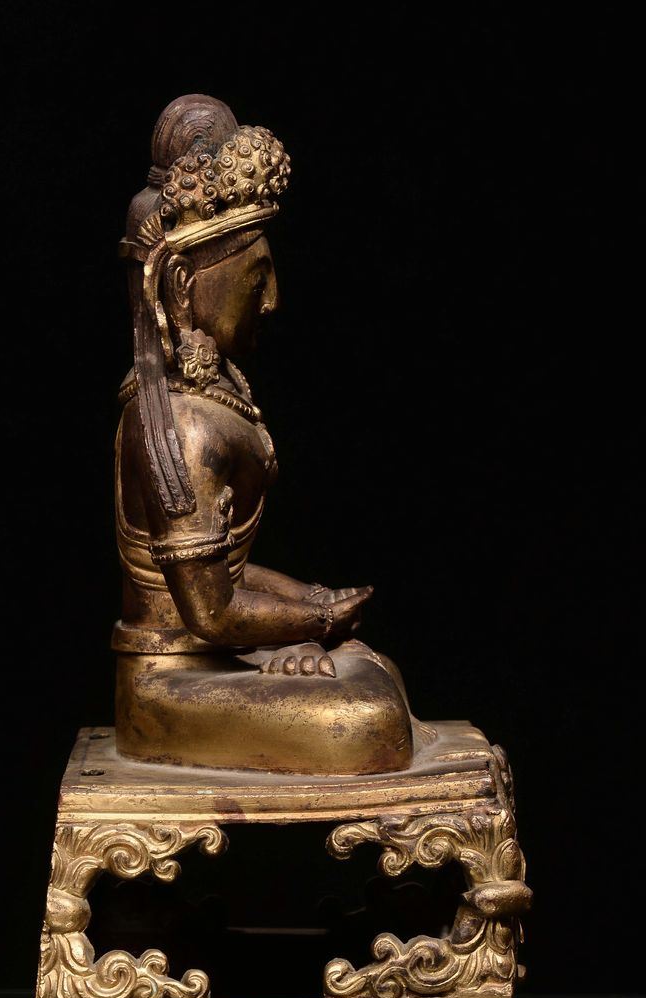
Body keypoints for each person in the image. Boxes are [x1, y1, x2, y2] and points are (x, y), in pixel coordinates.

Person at [113, 95, 413, 774]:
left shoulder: (210, 396)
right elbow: (212, 614)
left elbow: (225, 571)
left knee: (371, 669)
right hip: (168, 681)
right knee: (368, 714)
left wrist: (311, 602)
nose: (273, 300)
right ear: (183, 286)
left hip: (209, 658)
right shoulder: (180, 425)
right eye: (256, 277)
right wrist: (318, 619)